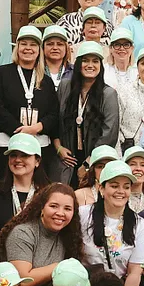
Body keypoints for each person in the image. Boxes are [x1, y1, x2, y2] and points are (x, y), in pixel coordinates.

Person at [0, 183, 88, 286]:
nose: (60, 213)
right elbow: (23, 280)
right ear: (41, 208)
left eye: (67, 208)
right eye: (53, 206)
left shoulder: (68, 238)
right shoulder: (23, 232)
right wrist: (61, 267)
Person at [0, 26, 59, 188]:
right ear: (17, 47)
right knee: (3, 189)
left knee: (38, 191)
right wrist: (19, 129)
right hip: (7, 142)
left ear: (39, 50)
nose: (28, 48)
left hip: (38, 145)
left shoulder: (46, 81)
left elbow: (54, 113)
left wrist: (37, 127)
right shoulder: (1, 74)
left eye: (33, 45)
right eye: (24, 44)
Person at [54, 42, 121, 187]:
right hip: (65, 158)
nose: (90, 65)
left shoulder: (108, 94)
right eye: (85, 60)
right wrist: (58, 147)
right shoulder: (65, 86)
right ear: (77, 64)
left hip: (94, 159)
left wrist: (87, 164)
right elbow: (55, 120)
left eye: (95, 61)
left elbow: (109, 134)